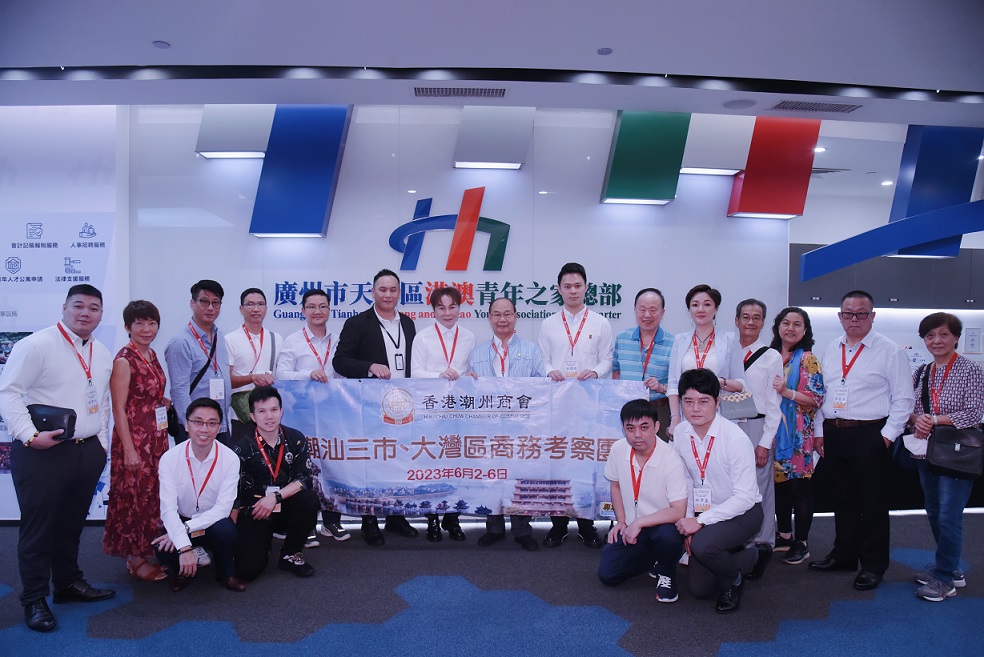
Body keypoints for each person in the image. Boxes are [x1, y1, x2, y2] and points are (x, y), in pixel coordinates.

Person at [0, 284, 116, 632]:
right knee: (38, 529)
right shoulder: (37, 344)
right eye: (78, 306)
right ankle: (34, 599)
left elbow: (102, 403)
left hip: (86, 451)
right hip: (43, 451)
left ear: (101, 314)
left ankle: (67, 584)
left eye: (93, 308)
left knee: (70, 525)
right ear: (64, 308)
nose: (85, 313)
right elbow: (8, 392)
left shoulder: (101, 352)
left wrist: (101, 443)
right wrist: (29, 435)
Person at [808, 290, 914, 591]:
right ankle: (844, 555)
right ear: (840, 316)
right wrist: (820, 431)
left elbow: (904, 399)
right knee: (842, 499)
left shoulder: (890, 351)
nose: (854, 319)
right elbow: (822, 394)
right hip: (834, 433)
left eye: (861, 313)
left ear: (872, 316)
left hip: (870, 434)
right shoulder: (832, 348)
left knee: (872, 503)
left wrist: (886, 437)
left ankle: (873, 565)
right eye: (848, 313)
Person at [333, 269, 417, 545]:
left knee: (399, 462)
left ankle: (395, 517)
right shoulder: (357, 323)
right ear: (373, 292)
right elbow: (340, 361)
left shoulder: (408, 323)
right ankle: (369, 521)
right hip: (369, 408)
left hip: (403, 407)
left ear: (399, 293)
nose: (388, 295)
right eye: (383, 289)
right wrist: (369, 366)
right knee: (370, 465)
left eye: (393, 290)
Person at [906, 313, 984, 602]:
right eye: (930, 336)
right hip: (928, 451)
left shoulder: (970, 369)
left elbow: (973, 413)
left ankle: (945, 580)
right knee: (935, 510)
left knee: (950, 515)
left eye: (943, 334)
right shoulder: (922, 371)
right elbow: (911, 407)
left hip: (957, 453)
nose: (936, 341)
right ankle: (950, 568)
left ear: (955, 338)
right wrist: (918, 419)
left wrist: (935, 420)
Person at [672, 369, 763, 614]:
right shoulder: (681, 433)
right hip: (707, 514)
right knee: (700, 589)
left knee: (703, 547)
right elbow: (686, 481)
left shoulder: (735, 439)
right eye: (688, 401)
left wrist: (700, 522)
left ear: (717, 402)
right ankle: (749, 556)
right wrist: (689, 521)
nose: (695, 409)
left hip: (744, 512)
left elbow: (745, 498)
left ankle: (734, 581)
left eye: (704, 401)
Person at [537, 262, 612, 549]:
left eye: (577, 285)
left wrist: (596, 371)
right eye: (567, 286)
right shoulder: (548, 323)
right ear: (559, 289)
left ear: (585, 288)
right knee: (557, 462)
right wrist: (549, 371)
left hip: (588, 405)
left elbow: (607, 360)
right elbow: (543, 360)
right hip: (557, 405)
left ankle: (586, 524)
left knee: (585, 461)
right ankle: (558, 525)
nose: (572, 291)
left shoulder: (600, 323)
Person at [469, 296, 547, 551]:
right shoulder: (478, 353)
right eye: (496, 314)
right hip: (489, 429)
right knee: (492, 477)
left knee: (520, 478)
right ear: (489, 318)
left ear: (515, 316)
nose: (502, 319)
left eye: (507, 314)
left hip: (521, 429)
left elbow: (542, 389)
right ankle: (494, 528)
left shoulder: (532, 350)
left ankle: (522, 530)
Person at [102, 300, 170, 582]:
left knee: (151, 495)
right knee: (133, 497)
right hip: (134, 440)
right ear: (127, 327)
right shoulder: (124, 360)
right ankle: (134, 558)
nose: (146, 329)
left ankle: (145, 549)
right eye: (139, 323)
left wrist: (161, 402)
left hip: (156, 438)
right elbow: (119, 408)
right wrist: (129, 450)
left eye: (151, 323)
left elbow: (147, 394)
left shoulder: (151, 354)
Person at [276, 288, 349, 542]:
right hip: (302, 417)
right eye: (311, 306)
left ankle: (331, 522)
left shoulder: (338, 341)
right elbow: (281, 374)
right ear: (303, 311)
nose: (317, 311)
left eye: (322, 306)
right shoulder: (293, 341)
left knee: (333, 465)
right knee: (304, 468)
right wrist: (307, 374)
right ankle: (305, 525)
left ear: (329, 310)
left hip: (333, 415)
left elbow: (344, 374)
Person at [598, 399, 687, 603]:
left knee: (668, 536)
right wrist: (621, 521)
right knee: (608, 574)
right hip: (633, 527)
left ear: (656, 427)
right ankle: (654, 557)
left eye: (644, 427)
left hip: (662, 525)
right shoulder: (618, 449)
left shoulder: (671, 458)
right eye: (630, 428)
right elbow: (615, 485)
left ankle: (666, 571)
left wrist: (639, 522)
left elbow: (678, 510)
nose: (637, 434)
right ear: (623, 429)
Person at [153, 398, 245, 593]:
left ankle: (225, 573)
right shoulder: (170, 459)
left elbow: (223, 509)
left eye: (212, 423)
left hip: (214, 522)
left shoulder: (230, 459)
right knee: (162, 549)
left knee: (226, 531)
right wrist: (183, 546)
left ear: (219, 428)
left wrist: (184, 530)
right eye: (198, 422)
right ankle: (182, 571)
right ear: (187, 425)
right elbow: (168, 509)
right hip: (182, 518)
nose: (204, 429)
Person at [232, 386, 320, 580]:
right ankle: (261, 543)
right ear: (252, 416)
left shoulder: (295, 439)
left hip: (284, 504)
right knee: (247, 571)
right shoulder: (241, 447)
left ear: (281, 412)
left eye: (273, 410)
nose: (269, 416)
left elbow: (304, 478)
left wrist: (275, 497)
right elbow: (233, 492)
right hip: (256, 510)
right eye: (262, 411)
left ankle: (290, 553)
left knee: (309, 499)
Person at [411, 286, 476, 542]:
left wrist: (469, 375)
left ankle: (453, 518)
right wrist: (437, 375)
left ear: (460, 308)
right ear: (433, 310)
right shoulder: (423, 337)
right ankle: (432, 519)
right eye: (441, 308)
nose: (447, 313)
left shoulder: (469, 336)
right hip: (431, 411)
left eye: (452, 307)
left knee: (456, 464)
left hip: (459, 411)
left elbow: (469, 370)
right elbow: (415, 372)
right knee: (431, 465)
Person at [769, 307, 825, 566]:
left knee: (798, 488)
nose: (790, 328)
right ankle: (784, 536)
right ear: (778, 327)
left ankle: (802, 543)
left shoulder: (807, 359)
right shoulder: (769, 356)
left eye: (797, 324)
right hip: (771, 431)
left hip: (797, 435)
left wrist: (786, 392)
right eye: (786, 323)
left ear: (805, 330)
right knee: (778, 487)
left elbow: (816, 399)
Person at [732, 299, 783, 579]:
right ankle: (737, 540)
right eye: (745, 317)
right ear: (736, 320)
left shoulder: (771, 356)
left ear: (763, 323)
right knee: (731, 485)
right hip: (728, 425)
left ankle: (763, 543)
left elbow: (774, 405)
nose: (750, 322)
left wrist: (764, 442)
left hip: (756, 426)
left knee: (760, 487)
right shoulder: (726, 350)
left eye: (757, 317)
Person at [666, 284, 746, 439]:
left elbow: (741, 383)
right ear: (689, 309)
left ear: (716, 309)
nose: (700, 309)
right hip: (688, 415)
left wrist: (720, 382)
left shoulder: (729, 339)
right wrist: (675, 417)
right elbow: (673, 384)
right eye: (695, 305)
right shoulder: (680, 340)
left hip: (721, 414)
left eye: (707, 304)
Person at [165, 279, 233, 444]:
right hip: (196, 429)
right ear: (192, 303)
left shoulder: (219, 336)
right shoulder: (181, 342)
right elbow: (179, 390)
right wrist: (190, 426)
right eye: (204, 301)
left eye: (215, 303)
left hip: (220, 425)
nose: (210, 308)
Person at [612, 288, 675, 441]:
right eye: (642, 309)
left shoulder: (673, 343)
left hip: (658, 409)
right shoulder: (622, 338)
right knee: (625, 451)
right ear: (635, 310)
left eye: (653, 310)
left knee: (658, 452)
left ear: (662, 312)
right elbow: (616, 371)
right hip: (626, 407)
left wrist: (661, 387)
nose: (647, 315)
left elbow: (677, 383)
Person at [225, 287, 281, 432]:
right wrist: (252, 378)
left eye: (260, 304)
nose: (256, 309)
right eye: (250, 304)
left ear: (266, 309)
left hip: (269, 415)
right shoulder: (230, 339)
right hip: (241, 414)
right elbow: (226, 380)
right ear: (241, 309)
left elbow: (282, 374)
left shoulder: (276, 338)